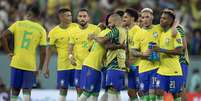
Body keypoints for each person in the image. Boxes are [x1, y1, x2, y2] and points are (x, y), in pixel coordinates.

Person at [1, 5, 48, 101]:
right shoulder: (41, 30)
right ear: (38, 16)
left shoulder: (18, 24)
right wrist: (39, 68)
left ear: (28, 14)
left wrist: (8, 52)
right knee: (27, 91)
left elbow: (2, 36)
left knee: (14, 91)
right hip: (30, 65)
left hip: (16, 62)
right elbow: (43, 52)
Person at [44, 8, 77, 101]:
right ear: (61, 17)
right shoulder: (53, 32)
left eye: (70, 15)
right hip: (63, 66)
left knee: (80, 88)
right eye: (68, 15)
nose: (70, 17)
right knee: (63, 89)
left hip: (77, 65)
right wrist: (46, 67)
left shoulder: (76, 27)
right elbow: (49, 49)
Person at [68, 8, 100, 99]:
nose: (82, 18)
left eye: (84, 16)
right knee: (79, 90)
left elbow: (102, 42)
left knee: (90, 91)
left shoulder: (95, 29)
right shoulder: (73, 31)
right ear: (77, 18)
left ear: (88, 18)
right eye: (80, 16)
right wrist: (70, 57)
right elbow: (70, 48)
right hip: (78, 66)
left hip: (92, 66)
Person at [130, 8, 162, 101]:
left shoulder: (159, 29)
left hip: (156, 67)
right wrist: (142, 54)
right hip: (143, 68)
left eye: (147, 17)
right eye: (143, 17)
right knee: (145, 96)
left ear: (152, 17)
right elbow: (133, 51)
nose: (145, 19)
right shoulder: (138, 34)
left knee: (154, 94)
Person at [154, 9, 184, 101]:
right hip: (162, 70)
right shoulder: (162, 34)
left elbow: (179, 51)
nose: (161, 20)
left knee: (176, 95)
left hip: (173, 70)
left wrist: (161, 50)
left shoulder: (175, 33)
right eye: (161, 18)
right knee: (158, 91)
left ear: (170, 21)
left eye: (164, 18)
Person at [122, 8, 141, 101]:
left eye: (126, 17)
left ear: (133, 18)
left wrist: (129, 62)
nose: (123, 19)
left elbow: (138, 49)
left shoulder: (137, 30)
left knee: (141, 91)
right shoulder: (126, 31)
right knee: (131, 91)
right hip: (131, 66)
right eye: (123, 17)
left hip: (138, 65)